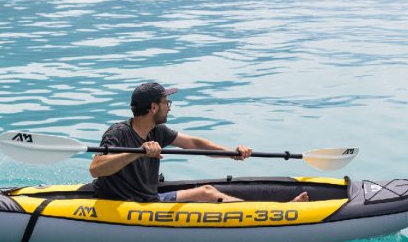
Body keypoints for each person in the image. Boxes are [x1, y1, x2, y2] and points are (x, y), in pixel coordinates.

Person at [89, 82, 308, 203]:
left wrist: (231, 152)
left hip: (147, 196)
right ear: (154, 107)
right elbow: (96, 169)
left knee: (207, 191)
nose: (170, 106)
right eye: (167, 102)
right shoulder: (118, 133)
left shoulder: (158, 131)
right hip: (130, 203)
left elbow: (193, 143)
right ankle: (276, 215)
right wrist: (138, 152)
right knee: (208, 193)